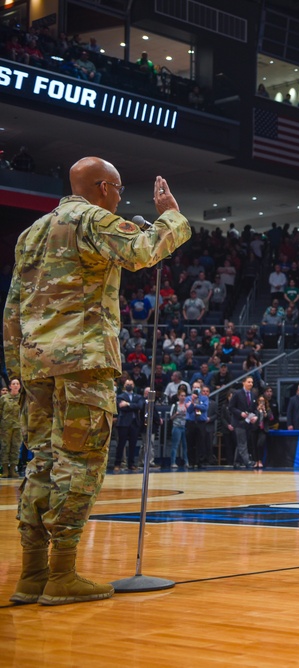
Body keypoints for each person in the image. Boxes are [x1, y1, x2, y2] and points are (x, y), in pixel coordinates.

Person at [3, 159, 189, 605]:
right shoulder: (91, 218)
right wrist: (172, 215)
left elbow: (12, 307)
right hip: (82, 361)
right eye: (119, 188)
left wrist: (17, 369)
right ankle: (63, 573)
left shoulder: (32, 232)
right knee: (80, 463)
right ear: (103, 187)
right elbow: (143, 250)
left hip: (35, 365)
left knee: (41, 463)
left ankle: (32, 574)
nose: (121, 197)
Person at [112, 380, 145, 473]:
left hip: (134, 423)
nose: (129, 386)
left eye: (131, 384)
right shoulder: (120, 396)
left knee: (133, 445)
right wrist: (130, 406)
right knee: (121, 444)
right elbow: (121, 407)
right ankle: (117, 464)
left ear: (134, 385)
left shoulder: (138, 396)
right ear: (124, 385)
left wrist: (128, 404)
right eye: (127, 384)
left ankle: (131, 464)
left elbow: (139, 406)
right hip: (123, 423)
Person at [229, 376, 258, 469]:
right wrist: (240, 413)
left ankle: (236, 462)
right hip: (238, 422)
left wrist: (255, 416)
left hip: (248, 422)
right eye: (249, 382)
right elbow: (231, 407)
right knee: (242, 443)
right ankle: (247, 461)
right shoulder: (237, 394)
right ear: (243, 383)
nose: (251, 384)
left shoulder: (253, 395)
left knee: (241, 443)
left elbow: (254, 408)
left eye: (252, 382)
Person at [0, 378, 22, 478]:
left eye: (17, 383)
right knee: (5, 447)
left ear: (20, 386)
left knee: (16, 448)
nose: (15, 385)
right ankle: (5, 470)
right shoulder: (4, 398)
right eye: (13, 383)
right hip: (5, 427)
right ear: (10, 386)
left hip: (18, 427)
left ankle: (13, 469)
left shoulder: (22, 398)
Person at [251, 394, 273, 468]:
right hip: (255, 429)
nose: (261, 402)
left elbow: (271, 418)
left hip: (263, 430)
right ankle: (256, 461)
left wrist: (264, 412)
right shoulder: (254, 409)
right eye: (260, 401)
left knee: (260, 444)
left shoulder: (268, 409)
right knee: (254, 445)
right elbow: (250, 418)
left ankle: (260, 460)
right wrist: (257, 411)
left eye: (263, 401)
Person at [168, 388, 189, 468]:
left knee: (185, 445)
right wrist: (176, 414)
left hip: (185, 427)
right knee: (175, 445)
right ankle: (173, 462)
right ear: (178, 396)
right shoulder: (175, 405)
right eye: (181, 396)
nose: (183, 397)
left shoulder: (187, 405)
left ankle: (186, 462)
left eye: (184, 396)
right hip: (177, 427)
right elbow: (171, 417)